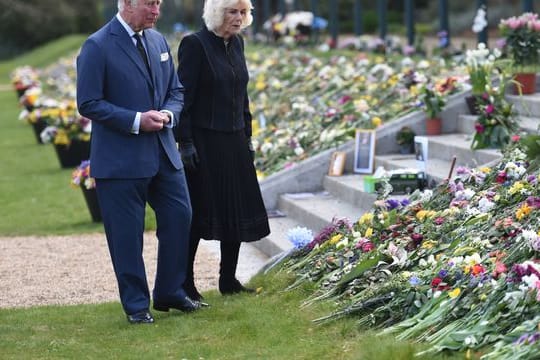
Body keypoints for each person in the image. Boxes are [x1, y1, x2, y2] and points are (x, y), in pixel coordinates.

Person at [76, 0, 202, 324]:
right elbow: (88, 102)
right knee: (126, 236)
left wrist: (169, 113)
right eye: (150, 4)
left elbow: (176, 89)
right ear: (127, 3)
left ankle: (170, 291)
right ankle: (136, 306)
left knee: (180, 216)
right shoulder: (97, 45)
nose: (156, 11)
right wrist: (135, 120)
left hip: (163, 153)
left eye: (159, 4)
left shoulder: (158, 40)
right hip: (119, 161)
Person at [175, 0, 270, 301]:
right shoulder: (195, 45)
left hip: (234, 140)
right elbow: (182, 99)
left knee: (236, 208)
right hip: (204, 142)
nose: (239, 18)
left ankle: (228, 279)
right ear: (217, 13)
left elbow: (242, 96)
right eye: (232, 11)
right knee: (199, 213)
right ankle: (185, 284)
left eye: (243, 12)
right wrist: (185, 142)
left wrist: (248, 136)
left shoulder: (237, 43)